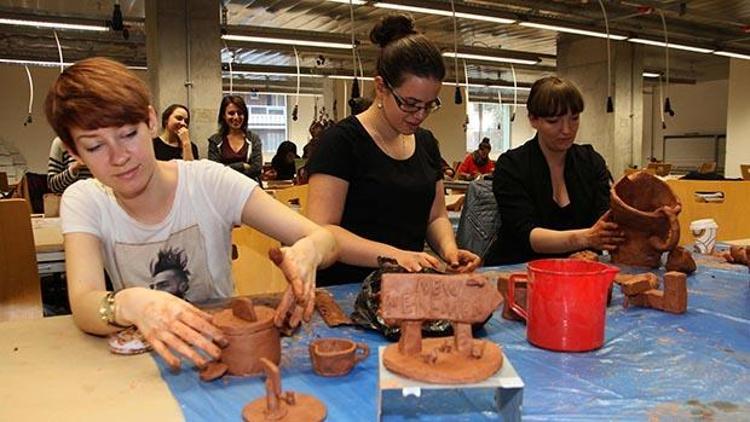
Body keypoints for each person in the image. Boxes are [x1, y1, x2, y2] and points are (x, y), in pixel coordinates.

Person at [44, 57, 337, 371]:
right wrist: (131, 303)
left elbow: (326, 239)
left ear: (151, 121)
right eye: (95, 147)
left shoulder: (209, 182)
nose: (119, 158)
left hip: (227, 351)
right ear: (74, 153)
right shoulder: (86, 199)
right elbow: (84, 302)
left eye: (128, 134)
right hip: (149, 366)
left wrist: (310, 251)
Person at [306, 14, 480, 286]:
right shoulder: (340, 142)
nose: (419, 115)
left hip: (406, 287)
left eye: (429, 105)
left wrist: (449, 251)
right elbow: (321, 231)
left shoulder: (426, 143)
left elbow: (435, 217)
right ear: (381, 87)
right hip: (344, 291)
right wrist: (394, 256)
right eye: (410, 104)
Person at [484, 76, 623, 265]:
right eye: (553, 121)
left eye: (574, 119)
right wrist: (587, 237)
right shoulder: (512, 166)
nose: (566, 130)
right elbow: (528, 235)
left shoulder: (591, 162)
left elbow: (605, 218)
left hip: (578, 269)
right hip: (517, 267)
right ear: (533, 119)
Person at [208, 95, 262, 182]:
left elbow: (257, 168)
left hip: (250, 190)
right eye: (231, 113)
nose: (236, 117)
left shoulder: (254, 139)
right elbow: (214, 171)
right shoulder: (215, 141)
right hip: (225, 190)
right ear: (223, 116)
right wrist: (241, 165)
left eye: (240, 113)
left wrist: (227, 169)